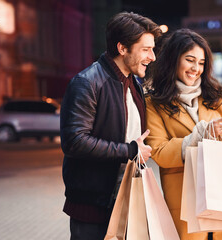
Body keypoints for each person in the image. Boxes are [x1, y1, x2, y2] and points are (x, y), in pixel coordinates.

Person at [60, 12, 161, 240]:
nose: (152, 57)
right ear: (122, 48)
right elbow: (74, 142)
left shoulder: (134, 83)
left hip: (127, 200)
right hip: (93, 207)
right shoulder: (87, 82)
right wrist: (130, 151)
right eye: (145, 49)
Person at [145, 28, 222, 240]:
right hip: (184, 201)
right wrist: (198, 136)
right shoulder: (154, 104)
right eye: (190, 60)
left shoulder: (217, 97)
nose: (196, 68)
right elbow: (159, 152)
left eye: (201, 63)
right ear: (174, 60)